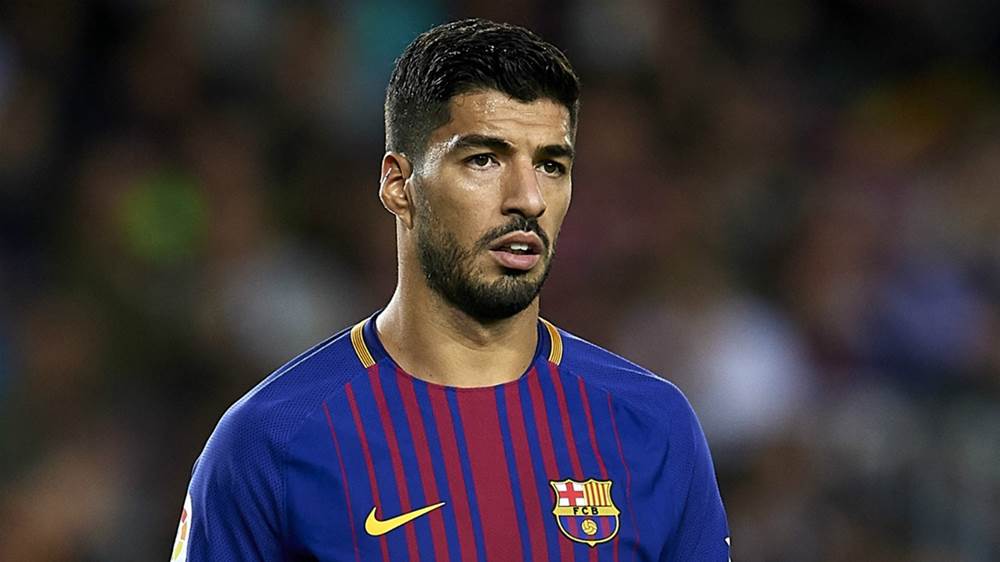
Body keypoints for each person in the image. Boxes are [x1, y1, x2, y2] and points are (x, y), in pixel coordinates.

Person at [171, 18, 730, 562]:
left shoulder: (653, 426)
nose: (527, 199)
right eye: (484, 159)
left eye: (550, 165)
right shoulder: (270, 442)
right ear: (399, 185)